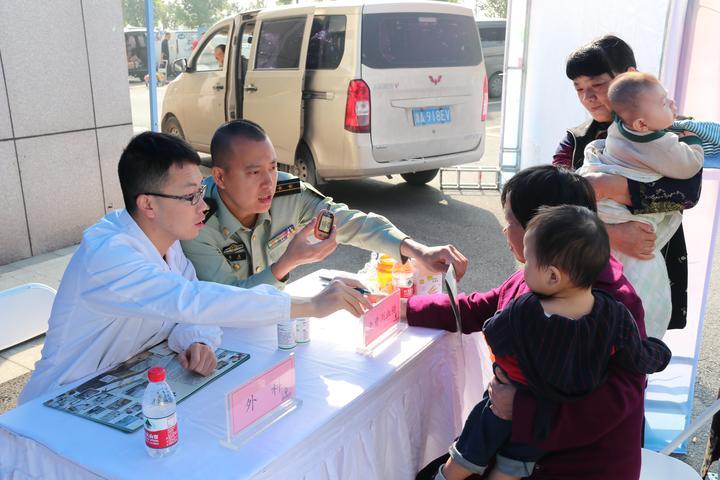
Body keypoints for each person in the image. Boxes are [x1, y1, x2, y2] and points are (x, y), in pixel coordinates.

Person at [19, 132, 371, 404]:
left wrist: (196, 340)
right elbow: (191, 300)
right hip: (61, 402)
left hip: (130, 388)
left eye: (200, 194)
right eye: (191, 196)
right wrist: (309, 306)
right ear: (148, 204)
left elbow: (189, 315)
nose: (203, 207)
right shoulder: (108, 253)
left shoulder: (169, 245)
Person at [412, 165, 648, 480]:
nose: (503, 230)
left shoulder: (612, 302)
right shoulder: (544, 276)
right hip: (522, 442)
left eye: (509, 220)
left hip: (579, 464)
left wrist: (522, 409)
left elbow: (623, 394)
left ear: (545, 227)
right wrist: (402, 309)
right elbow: (482, 307)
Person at [181, 120, 468, 289]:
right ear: (219, 176)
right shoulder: (195, 219)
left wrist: (416, 250)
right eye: (254, 172)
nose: (269, 183)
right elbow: (228, 302)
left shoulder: (287, 192)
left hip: (271, 319)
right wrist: (287, 263)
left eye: (272, 167)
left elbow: (348, 223)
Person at [553, 34, 703, 331]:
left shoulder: (669, 127)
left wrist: (612, 186)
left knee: (642, 342)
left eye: (597, 85)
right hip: (588, 266)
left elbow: (687, 193)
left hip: (652, 259)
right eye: (579, 89)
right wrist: (607, 232)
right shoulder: (576, 140)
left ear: (629, 76)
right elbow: (551, 204)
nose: (589, 96)